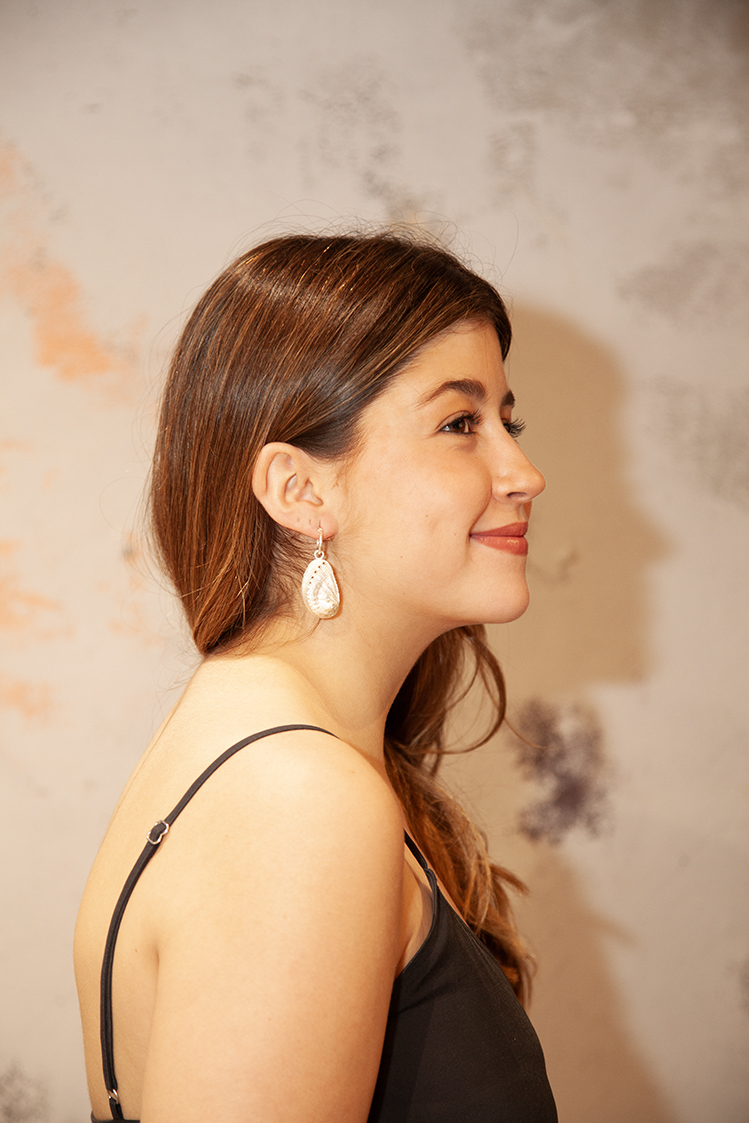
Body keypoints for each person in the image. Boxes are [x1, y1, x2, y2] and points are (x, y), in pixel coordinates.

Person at [74, 231, 557, 1122]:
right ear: (299, 490)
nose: (523, 473)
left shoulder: (259, 748)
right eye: (459, 424)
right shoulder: (298, 802)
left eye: (506, 421)